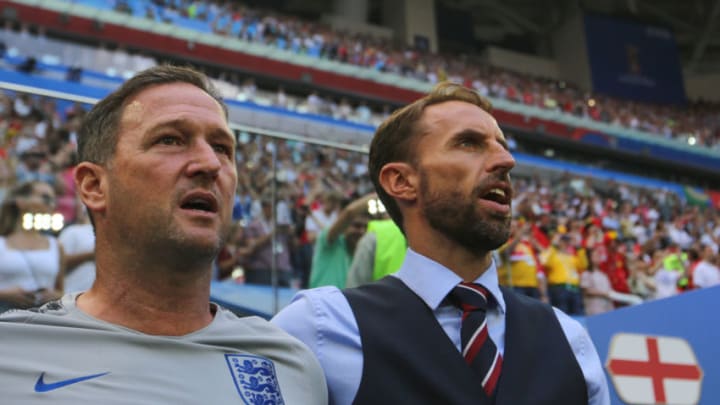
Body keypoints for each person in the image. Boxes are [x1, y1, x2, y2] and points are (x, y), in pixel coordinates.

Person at [0, 65, 327, 404]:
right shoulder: (11, 355)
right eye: (170, 140)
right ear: (94, 186)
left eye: (221, 148)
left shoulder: (292, 367)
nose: (210, 164)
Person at [273, 82, 608, 404]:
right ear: (402, 181)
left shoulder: (570, 340)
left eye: (502, 145)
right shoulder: (319, 329)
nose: (506, 161)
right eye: (468, 143)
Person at [0, 181, 65, 312]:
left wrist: (55, 295)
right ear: (21, 202)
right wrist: (5, 294)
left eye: (53, 200)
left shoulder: (56, 245)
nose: (51, 204)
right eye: (45, 198)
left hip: (44, 320)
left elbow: (60, 290)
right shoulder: (2, 243)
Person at [308, 193, 373, 288]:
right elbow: (349, 213)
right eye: (357, 226)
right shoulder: (330, 241)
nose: (361, 231)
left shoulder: (363, 252)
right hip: (321, 302)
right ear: (345, 226)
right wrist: (380, 194)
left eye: (365, 227)